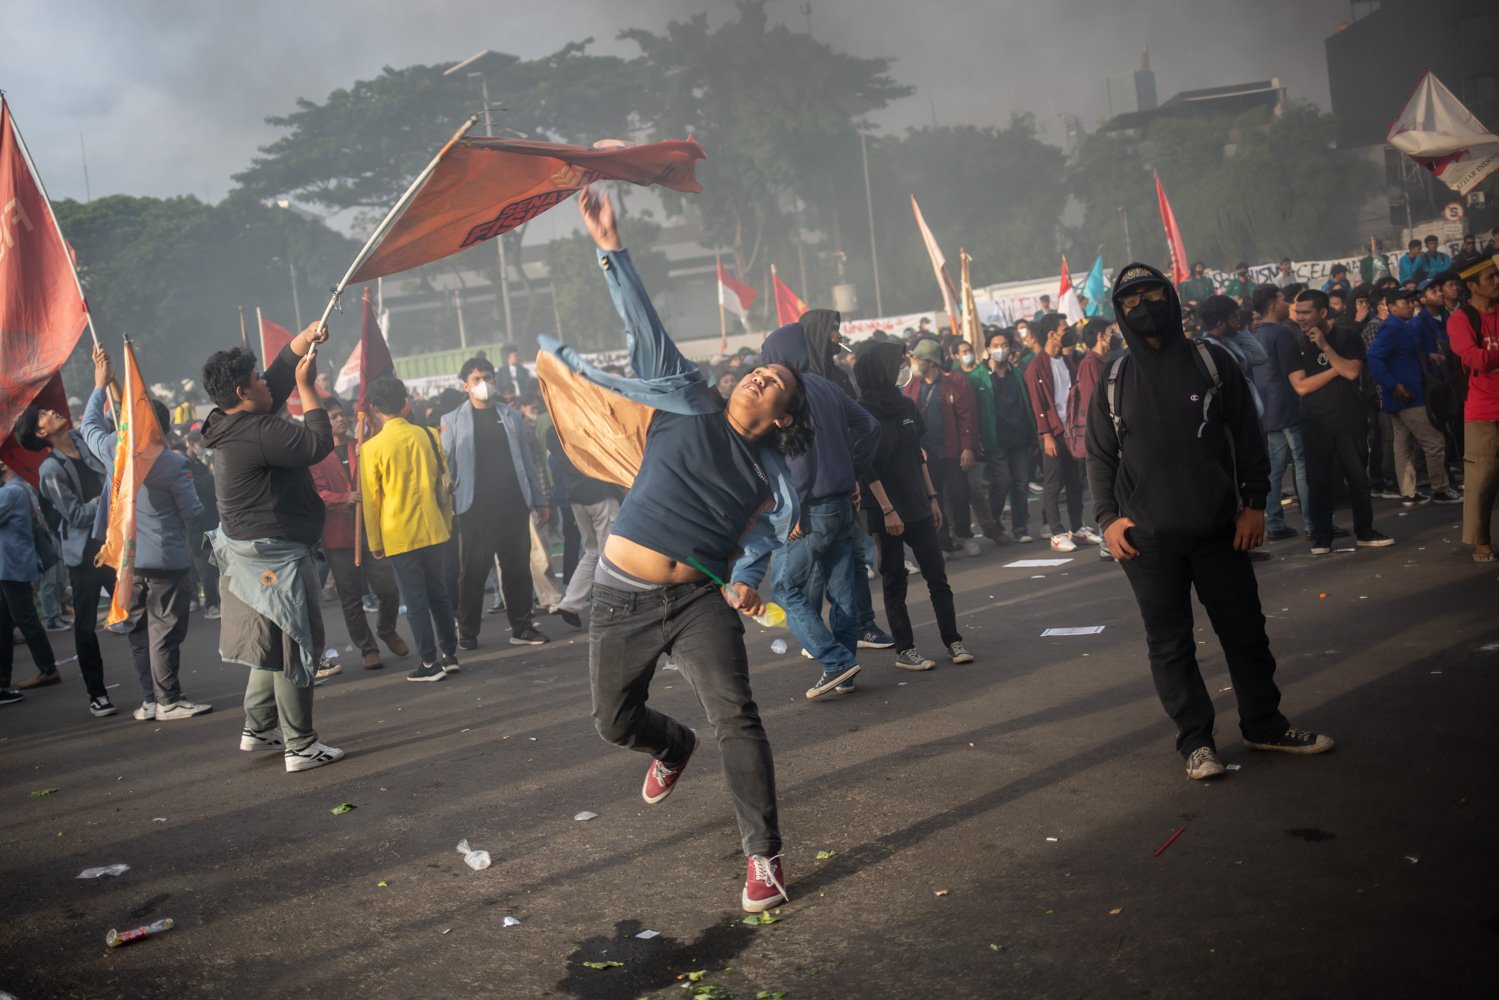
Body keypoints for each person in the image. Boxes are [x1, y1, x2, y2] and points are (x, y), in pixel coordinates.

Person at [545, 189, 814, 913]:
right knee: (612, 723)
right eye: (763, 367)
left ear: (781, 415)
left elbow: (760, 540)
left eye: (777, 382)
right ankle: (670, 745)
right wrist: (610, 244)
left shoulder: (768, 479)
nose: (762, 373)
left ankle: (763, 859)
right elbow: (645, 323)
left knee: (740, 716)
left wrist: (749, 580)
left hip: (696, 603)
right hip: (618, 596)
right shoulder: (683, 398)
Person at [1086, 263, 1334, 779]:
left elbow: (1250, 438)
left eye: (1154, 295)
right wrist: (1108, 520)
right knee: (1170, 644)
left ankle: (1265, 725)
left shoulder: (1211, 362)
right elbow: (1099, 458)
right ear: (1118, 312)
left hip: (1221, 528)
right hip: (1147, 542)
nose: (1144, 307)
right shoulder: (1114, 377)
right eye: (1131, 301)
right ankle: (1196, 743)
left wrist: (1254, 504)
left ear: (1174, 300)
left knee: (1245, 633)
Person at [200, 323, 345, 772]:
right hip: (274, 553)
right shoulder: (257, 431)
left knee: (273, 643)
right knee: (296, 646)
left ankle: (258, 727)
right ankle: (300, 745)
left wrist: (306, 337)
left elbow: (279, 374)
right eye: (258, 379)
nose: (269, 382)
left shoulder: (227, 419)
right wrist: (309, 387)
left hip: (253, 549)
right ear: (243, 391)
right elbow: (319, 443)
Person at [753, 318, 894, 697]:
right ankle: (843, 672)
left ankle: (836, 662)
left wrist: (793, 508)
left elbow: (798, 459)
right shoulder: (826, 385)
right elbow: (870, 427)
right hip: (841, 503)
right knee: (843, 590)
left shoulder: (784, 395)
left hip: (809, 510)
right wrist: (853, 473)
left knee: (784, 589)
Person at [80, 345, 212, 722]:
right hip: (166, 559)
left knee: (139, 632)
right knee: (165, 632)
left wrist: (99, 386)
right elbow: (193, 513)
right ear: (164, 427)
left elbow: (89, 426)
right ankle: (168, 698)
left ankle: (150, 698)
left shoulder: (113, 450)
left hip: (127, 559)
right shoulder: (173, 463)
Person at [855, 341, 968, 671]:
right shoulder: (862, 411)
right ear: (881, 368)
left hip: (917, 502)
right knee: (894, 581)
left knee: (937, 575)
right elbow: (866, 466)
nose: (905, 367)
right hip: (885, 509)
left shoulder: (905, 406)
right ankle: (905, 649)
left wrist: (932, 498)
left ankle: (953, 640)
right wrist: (888, 510)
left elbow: (918, 456)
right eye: (898, 362)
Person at [440, 357, 550, 649]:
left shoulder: (511, 417)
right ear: (466, 386)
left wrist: (539, 499)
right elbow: (446, 468)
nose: (484, 384)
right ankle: (468, 632)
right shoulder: (452, 421)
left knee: (517, 568)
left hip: (513, 505)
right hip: (475, 509)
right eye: (477, 379)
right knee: (473, 572)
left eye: (488, 377)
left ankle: (522, 627)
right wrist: (446, 507)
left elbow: (526, 461)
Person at [15, 397, 116, 714]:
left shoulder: (86, 439)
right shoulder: (50, 469)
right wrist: (110, 494)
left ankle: (157, 688)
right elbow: (76, 515)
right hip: (84, 555)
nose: (51, 412)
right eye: (43, 415)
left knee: (137, 609)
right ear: (40, 433)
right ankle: (97, 694)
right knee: (86, 627)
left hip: (114, 545)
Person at [361, 376, 462, 682]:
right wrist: (446, 522)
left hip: (399, 534)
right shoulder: (428, 435)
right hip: (434, 527)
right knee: (439, 595)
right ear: (405, 402)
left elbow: (371, 502)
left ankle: (429, 663)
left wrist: (374, 541)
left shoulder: (372, 448)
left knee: (415, 601)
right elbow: (444, 485)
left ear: (374, 408)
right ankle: (450, 654)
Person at [1288, 289, 1393, 553]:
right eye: (1298, 313)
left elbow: (1353, 372)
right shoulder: (1295, 344)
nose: (1300, 318)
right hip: (1314, 423)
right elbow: (1301, 386)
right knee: (1319, 483)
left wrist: (1325, 348)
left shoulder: (1347, 336)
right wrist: (1336, 369)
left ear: (1322, 312)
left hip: (1349, 420)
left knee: (1358, 480)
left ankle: (1365, 531)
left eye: (1306, 312)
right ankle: (1322, 537)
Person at [309, 396, 410, 670]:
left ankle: (387, 629)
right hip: (338, 537)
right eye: (333, 416)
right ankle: (368, 648)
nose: (341, 419)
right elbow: (317, 494)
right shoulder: (316, 457)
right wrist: (345, 498)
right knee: (351, 597)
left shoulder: (361, 448)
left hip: (370, 531)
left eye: (342, 414)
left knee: (388, 589)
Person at [1366, 287, 1463, 506]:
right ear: (1391, 307)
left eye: (1411, 302)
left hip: (1402, 396)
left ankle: (1408, 492)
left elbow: (1402, 355)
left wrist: (1428, 356)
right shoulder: (1391, 327)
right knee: (1434, 441)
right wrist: (1393, 385)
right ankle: (1441, 488)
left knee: (1403, 444)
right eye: (1405, 302)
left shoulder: (1402, 326)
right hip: (1408, 395)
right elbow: (1373, 357)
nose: (1410, 305)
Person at [904, 338, 979, 556]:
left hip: (953, 451)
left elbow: (967, 418)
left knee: (959, 494)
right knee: (934, 499)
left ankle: (964, 535)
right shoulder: (912, 385)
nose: (915, 362)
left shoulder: (956, 382)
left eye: (919, 358)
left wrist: (968, 447)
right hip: (927, 454)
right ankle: (943, 541)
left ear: (931, 361)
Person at [1448, 250, 1499, 560]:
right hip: (1481, 411)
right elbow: (1474, 358)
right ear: (1472, 286)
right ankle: (1482, 543)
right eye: (1489, 277)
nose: (1496, 281)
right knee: (1482, 482)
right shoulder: (1461, 319)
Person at [547, 424, 622, 629]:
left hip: (576, 497)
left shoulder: (553, 430)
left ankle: (571, 603)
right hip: (600, 494)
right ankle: (611, 607)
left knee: (592, 552)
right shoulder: (583, 420)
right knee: (611, 555)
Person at [1250, 285, 1310, 542]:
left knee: (1275, 468)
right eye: (1284, 300)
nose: (1289, 305)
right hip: (1286, 405)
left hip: (1268, 408)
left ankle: (1274, 522)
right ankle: (1313, 521)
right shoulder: (1282, 333)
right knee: (1301, 463)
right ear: (1274, 304)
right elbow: (1295, 374)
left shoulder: (1255, 335)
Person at [967, 328, 1036, 543]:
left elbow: (1027, 405)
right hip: (994, 439)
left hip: (1019, 437)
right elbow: (972, 412)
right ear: (987, 349)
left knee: (1020, 483)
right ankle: (994, 523)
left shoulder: (1017, 373)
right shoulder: (976, 378)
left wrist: (1033, 436)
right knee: (1001, 481)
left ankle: (1020, 527)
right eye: (995, 346)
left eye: (1004, 345)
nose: (1000, 350)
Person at [1025, 314, 1087, 551]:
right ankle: (1056, 533)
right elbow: (1037, 405)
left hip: (1071, 431)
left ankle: (1077, 527)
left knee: (1075, 481)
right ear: (1052, 333)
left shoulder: (1066, 360)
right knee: (1053, 484)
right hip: (1053, 433)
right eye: (1064, 328)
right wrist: (1046, 435)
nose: (1069, 331)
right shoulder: (1036, 367)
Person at [0, 456, 58, 707]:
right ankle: (5, 675)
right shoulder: (16, 489)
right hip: (12, 565)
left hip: (11, 566)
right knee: (9, 621)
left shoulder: (11, 492)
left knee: (24, 619)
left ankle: (47, 668)